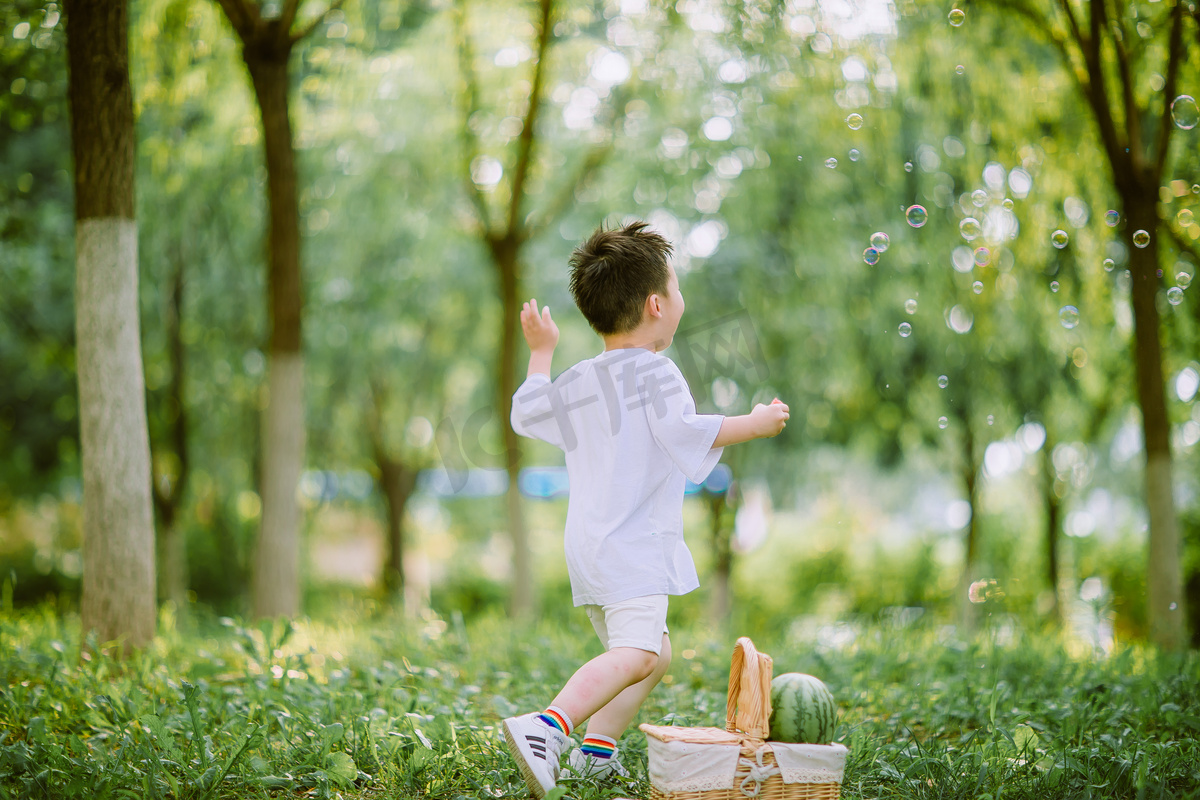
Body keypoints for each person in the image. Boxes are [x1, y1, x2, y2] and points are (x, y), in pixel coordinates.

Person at [502, 220, 789, 798]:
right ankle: (548, 727)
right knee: (636, 653)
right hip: (631, 549)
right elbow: (686, 433)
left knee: (653, 654)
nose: (680, 300)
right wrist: (753, 425)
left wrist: (541, 354)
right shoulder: (657, 371)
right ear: (657, 304)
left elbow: (527, 414)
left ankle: (597, 752)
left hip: (591, 549)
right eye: (678, 289)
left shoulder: (583, 379)